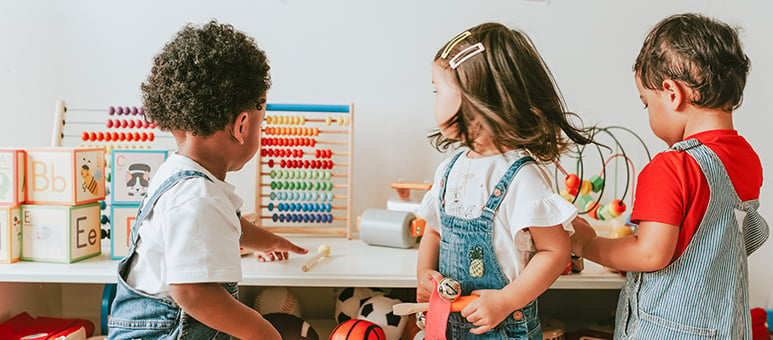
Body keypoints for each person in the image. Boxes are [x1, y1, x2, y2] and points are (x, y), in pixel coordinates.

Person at [571, 13, 769, 339]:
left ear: (671, 93)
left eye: (646, 103)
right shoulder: (747, 161)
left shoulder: (671, 166)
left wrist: (586, 241)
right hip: (727, 328)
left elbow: (649, 253)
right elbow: (712, 245)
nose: (648, 111)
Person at [107, 20, 308, 340]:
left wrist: (267, 241)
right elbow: (192, 292)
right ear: (242, 126)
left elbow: (219, 226)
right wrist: (261, 330)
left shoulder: (179, 176)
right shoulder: (197, 196)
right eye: (262, 121)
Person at [416, 22, 596, 339]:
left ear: (473, 99)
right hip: (449, 323)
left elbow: (555, 251)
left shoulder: (521, 176)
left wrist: (506, 300)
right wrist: (422, 275)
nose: (433, 99)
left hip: (503, 328)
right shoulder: (449, 169)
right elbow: (434, 230)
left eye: (437, 90)